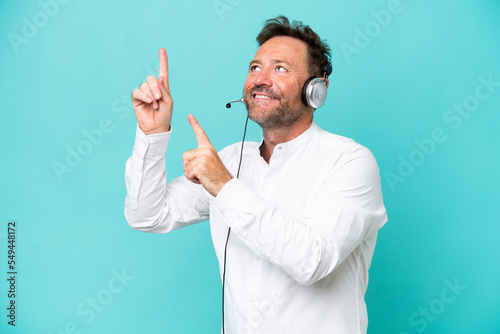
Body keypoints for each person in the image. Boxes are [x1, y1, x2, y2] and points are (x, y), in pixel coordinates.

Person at [125, 16, 387, 334]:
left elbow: (311, 261)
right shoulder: (231, 159)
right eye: (254, 68)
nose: (260, 79)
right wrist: (152, 134)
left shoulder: (350, 162)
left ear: (316, 89)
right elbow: (147, 215)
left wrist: (224, 185)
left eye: (280, 68)